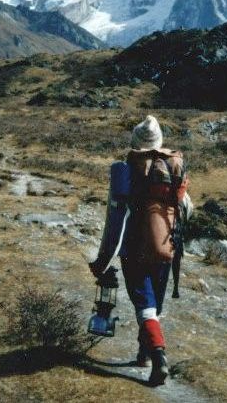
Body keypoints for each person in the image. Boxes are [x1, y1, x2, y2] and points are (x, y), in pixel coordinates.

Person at [89, 115, 192, 386]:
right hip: (166, 245)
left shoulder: (125, 170)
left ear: (135, 142)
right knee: (154, 303)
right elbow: (187, 208)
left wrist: (103, 259)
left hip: (134, 247)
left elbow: (115, 220)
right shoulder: (171, 166)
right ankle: (144, 354)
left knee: (144, 304)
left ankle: (158, 355)